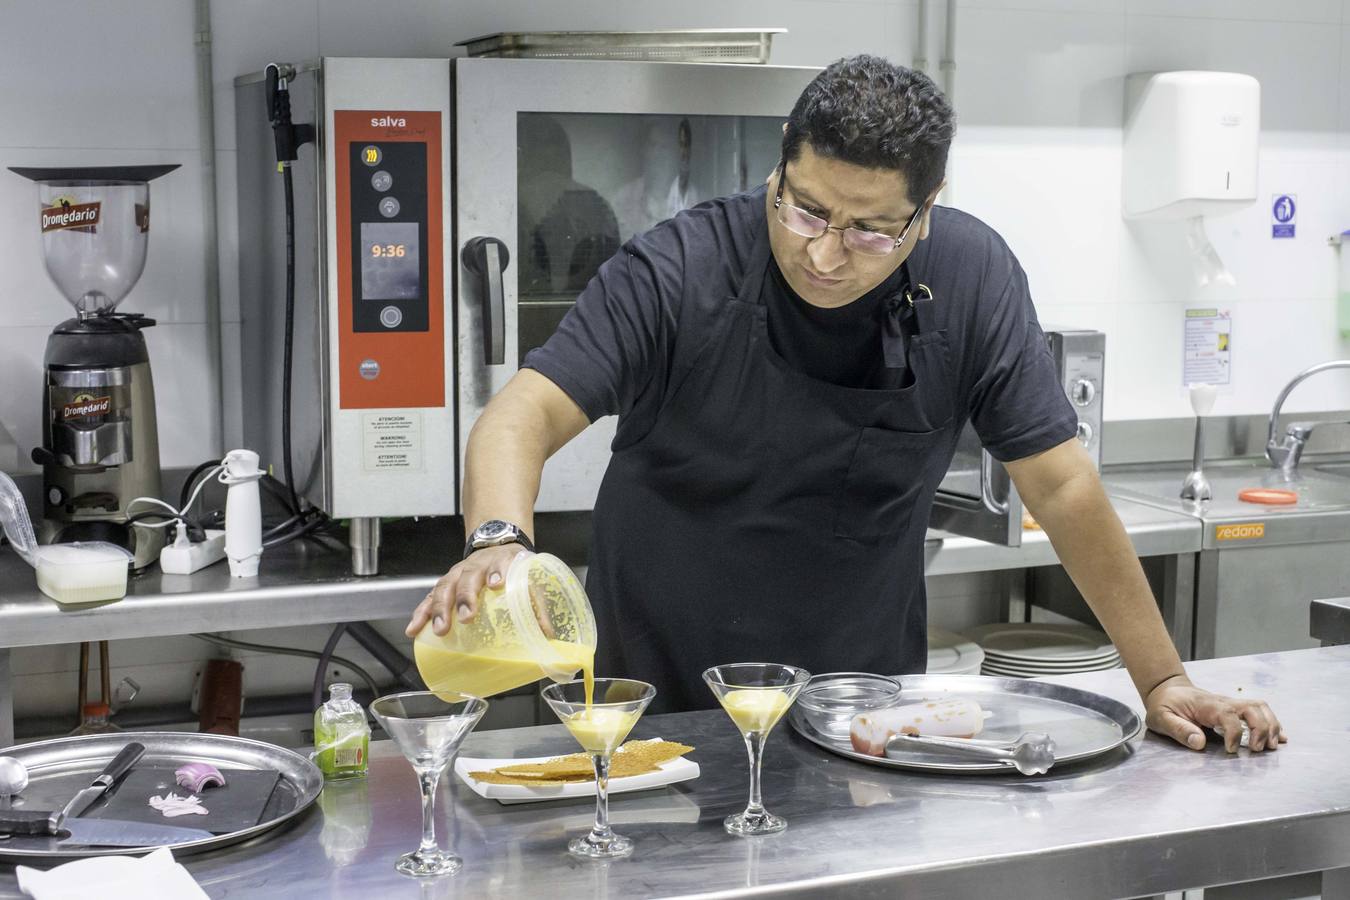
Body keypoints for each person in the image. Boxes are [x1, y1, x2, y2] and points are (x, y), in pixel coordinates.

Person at [407, 55, 1284, 753]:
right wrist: (498, 540)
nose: (826, 254)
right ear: (782, 161)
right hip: (659, 707)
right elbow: (520, 415)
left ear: (927, 210)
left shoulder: (973, 279)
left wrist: (1163, 678)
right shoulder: (678, 270)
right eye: (805, 211)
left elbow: (1060, 487)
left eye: (869, 230)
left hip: (864, 715)